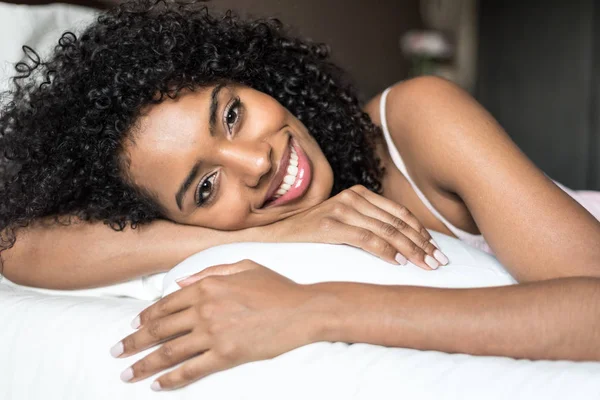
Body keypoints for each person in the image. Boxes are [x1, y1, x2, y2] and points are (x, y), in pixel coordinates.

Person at [1, 0, 599, 392]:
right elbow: (17, 247)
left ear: (251, 73)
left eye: (231, 114)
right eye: (206, 187)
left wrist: (314, 308)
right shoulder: (255, 224)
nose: (257, 162)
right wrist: (275, 232)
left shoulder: (417, 119)